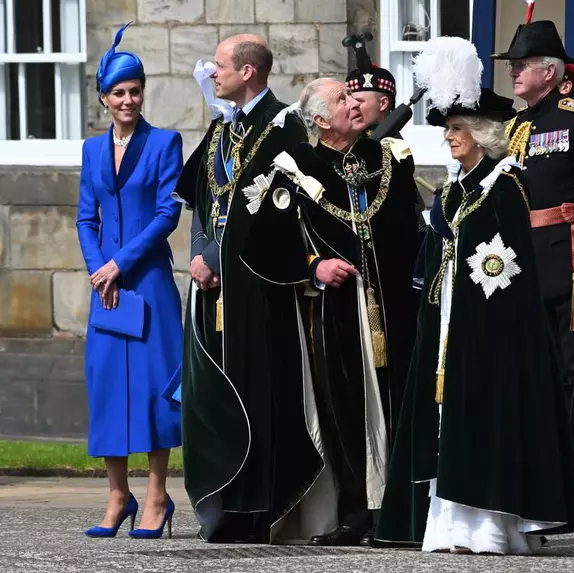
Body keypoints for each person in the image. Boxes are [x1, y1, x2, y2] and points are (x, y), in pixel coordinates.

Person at [374, 36, 574, 555]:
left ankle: (491, 525)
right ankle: (450, 526)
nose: (448, 137)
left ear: (481, 135)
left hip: (489, 327)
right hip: (448, 320)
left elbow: (504, 266)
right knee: (445, 419)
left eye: (456, 130)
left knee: (485, 416)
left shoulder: (504, 186)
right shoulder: (453, 190)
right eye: (447, 130)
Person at [241, 77, 422, 546]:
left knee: (401, 400)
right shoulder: (296, 167)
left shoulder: (390, 158)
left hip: (397, 306)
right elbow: (260, 242)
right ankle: (355, 512)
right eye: (343, 99)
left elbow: (414, 229)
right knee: (344, 408)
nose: (355, 103)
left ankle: (403, 511)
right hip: (337, 311)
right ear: (321, 120)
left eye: (354, 96)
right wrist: (313, 266)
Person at [172, 34, 322, 544]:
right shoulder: (222, 126)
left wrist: (219, 258)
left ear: (248, 72)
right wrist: (199, 254)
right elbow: (201, 198)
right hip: (210, 285)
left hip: (255, 288)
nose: (212, 74)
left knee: (255, 391)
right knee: (214, 391)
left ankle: (257, 506)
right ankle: (222, 502)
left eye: (219, 66)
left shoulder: (284, 126)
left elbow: (281, 213)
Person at [491, 20, 574, 514]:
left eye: (521, 65)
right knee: (538, 373)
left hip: (570, 262)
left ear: (550, 72)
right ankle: (545, 472)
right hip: (524, 262)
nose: (514, 73)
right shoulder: (515, 126)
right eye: (512, 66)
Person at [76, 23, 183, 540]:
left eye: (135, 91)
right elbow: (85, 218)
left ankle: (158, 496)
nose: (128, 100)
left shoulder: (164, 143)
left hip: (149, 284)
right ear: (104, 97)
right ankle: (118, 495)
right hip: (107, 289)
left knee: (154, 389)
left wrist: (118, 265)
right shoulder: (91, 150)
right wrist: (100, 270)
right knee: (107, 387)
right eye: (118, 92)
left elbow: (167, 214)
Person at [344, 32, 397, 134]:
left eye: (358, 101)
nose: (351, 106)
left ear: (383, 103)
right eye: (349, 100)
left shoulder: (393, 143)